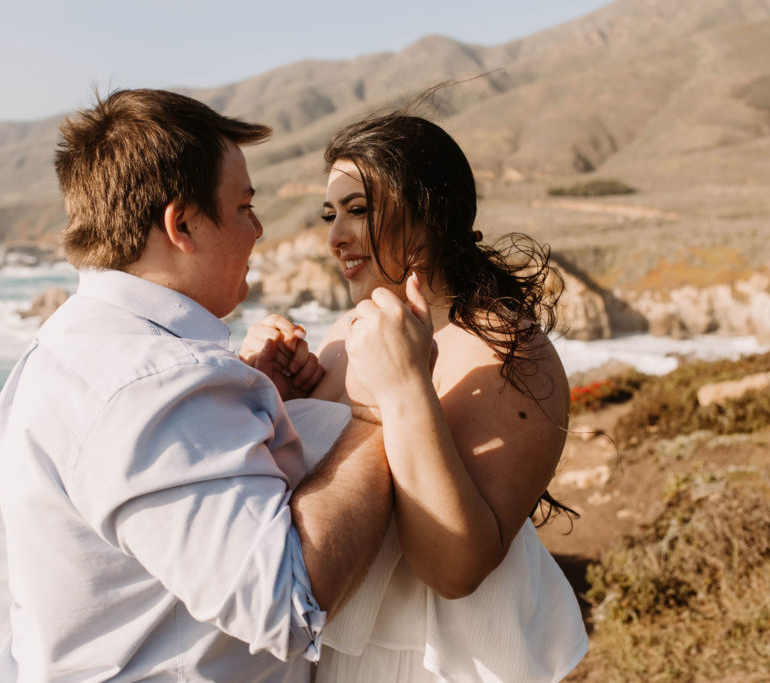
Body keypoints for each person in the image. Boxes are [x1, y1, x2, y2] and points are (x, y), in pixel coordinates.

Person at [0, 88, 399, 682]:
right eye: (242, 207)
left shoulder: (61, 346)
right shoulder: (159, 385)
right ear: (181, 224)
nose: (258, 229)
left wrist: (249, 403)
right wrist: (377, 408)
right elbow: (287, 604)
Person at [240, 113, 588, 682]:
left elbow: (454, 570)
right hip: (323, 659)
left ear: (431, 211)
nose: (336, 237)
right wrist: (268, 394)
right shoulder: (342, 334)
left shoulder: (510, 355)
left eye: (359, 210)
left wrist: (405, 389)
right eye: (332, 215)